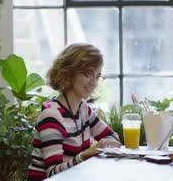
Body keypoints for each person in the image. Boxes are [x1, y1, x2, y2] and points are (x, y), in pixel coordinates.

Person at [27, 43, 121, 181]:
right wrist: (86, 155)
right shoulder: (52, 116)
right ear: (69, 73)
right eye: (88, 74)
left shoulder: (84, 109)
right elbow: (53, 174)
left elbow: (113, 137)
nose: (94, 82)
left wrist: (101, 145)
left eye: (97, 76)